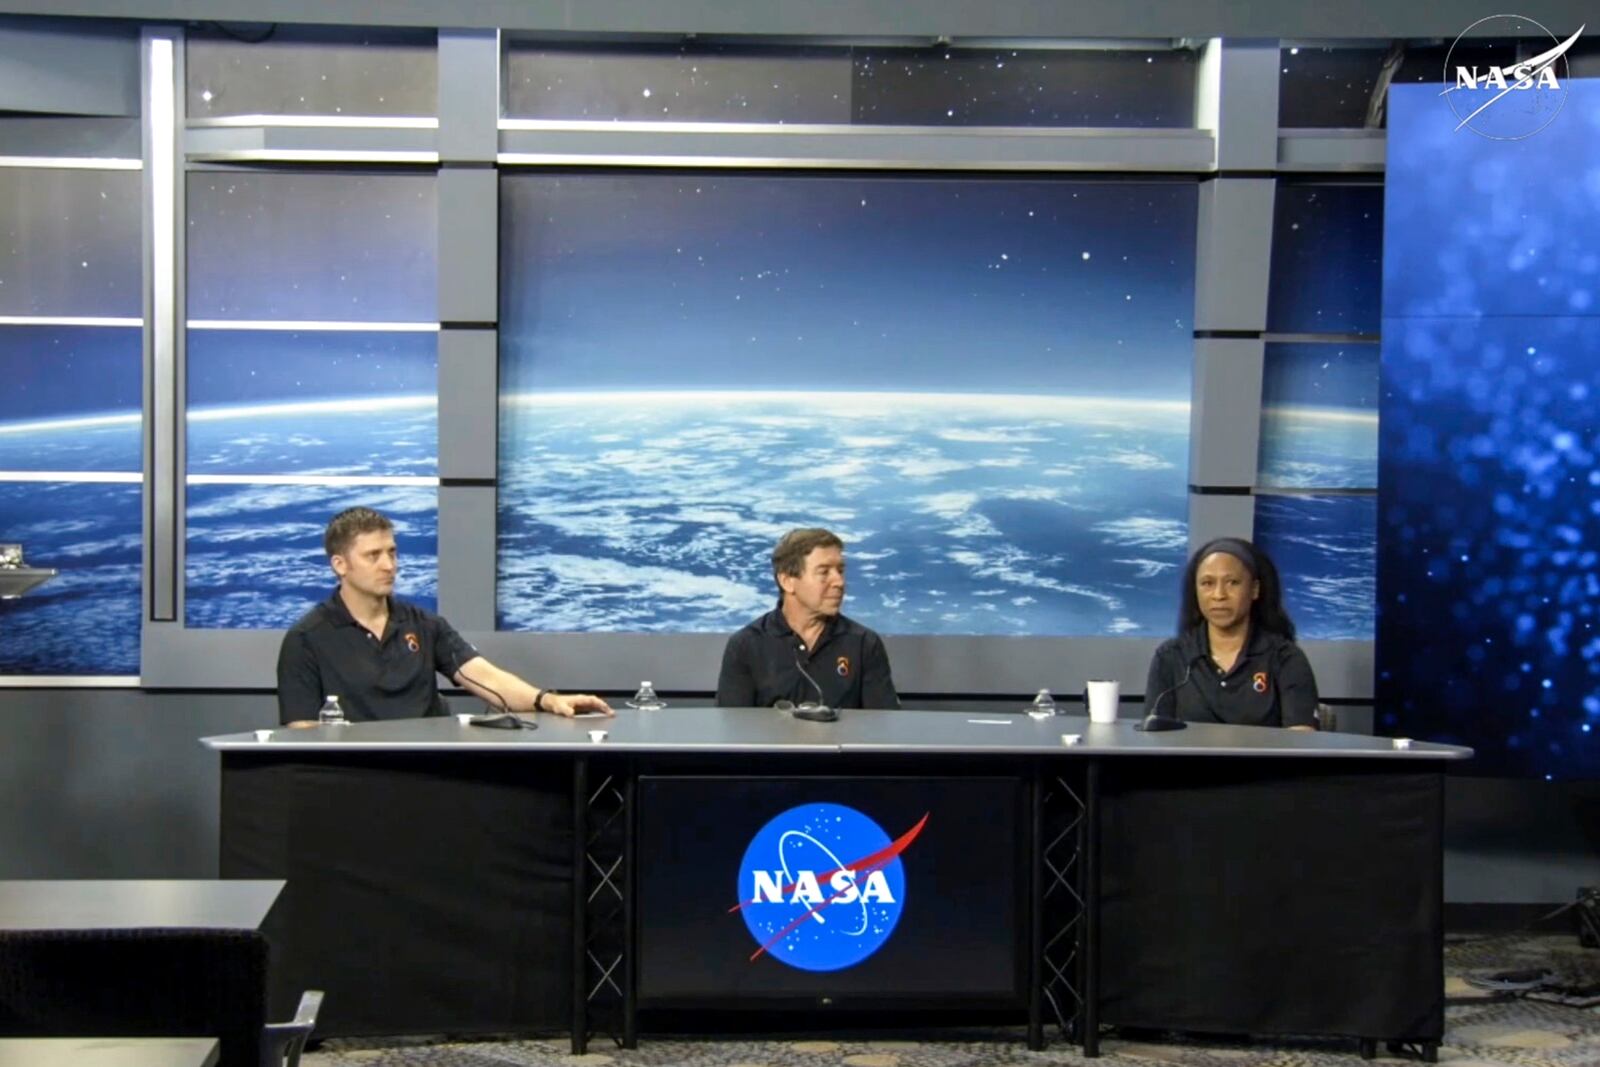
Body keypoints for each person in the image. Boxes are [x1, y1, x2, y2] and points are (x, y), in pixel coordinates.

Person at [276, 506, 612, 725]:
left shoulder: (423, 625)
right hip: (350, 782)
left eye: (392, 552)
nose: (389, 565)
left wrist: (548, 701)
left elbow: (488, 680)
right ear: (340, 565)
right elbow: (302, 731)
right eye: (373, 555)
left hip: (430, 775)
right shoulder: (307, 639)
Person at [1143, 536, 1318, 730]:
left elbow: (1301, 740)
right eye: (1207, 583)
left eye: (1232, 582)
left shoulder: (1285, 658)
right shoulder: (1170, 656)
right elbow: (1155, 737)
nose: (1219, 595)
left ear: (1254, 589)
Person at [716, 527, 900, 709]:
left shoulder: (864, 644)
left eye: (840, 571)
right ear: (787, 581)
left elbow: (882, 729)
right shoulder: (746, 645)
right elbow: (733, 730)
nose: (839, 582)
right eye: (824, 572)